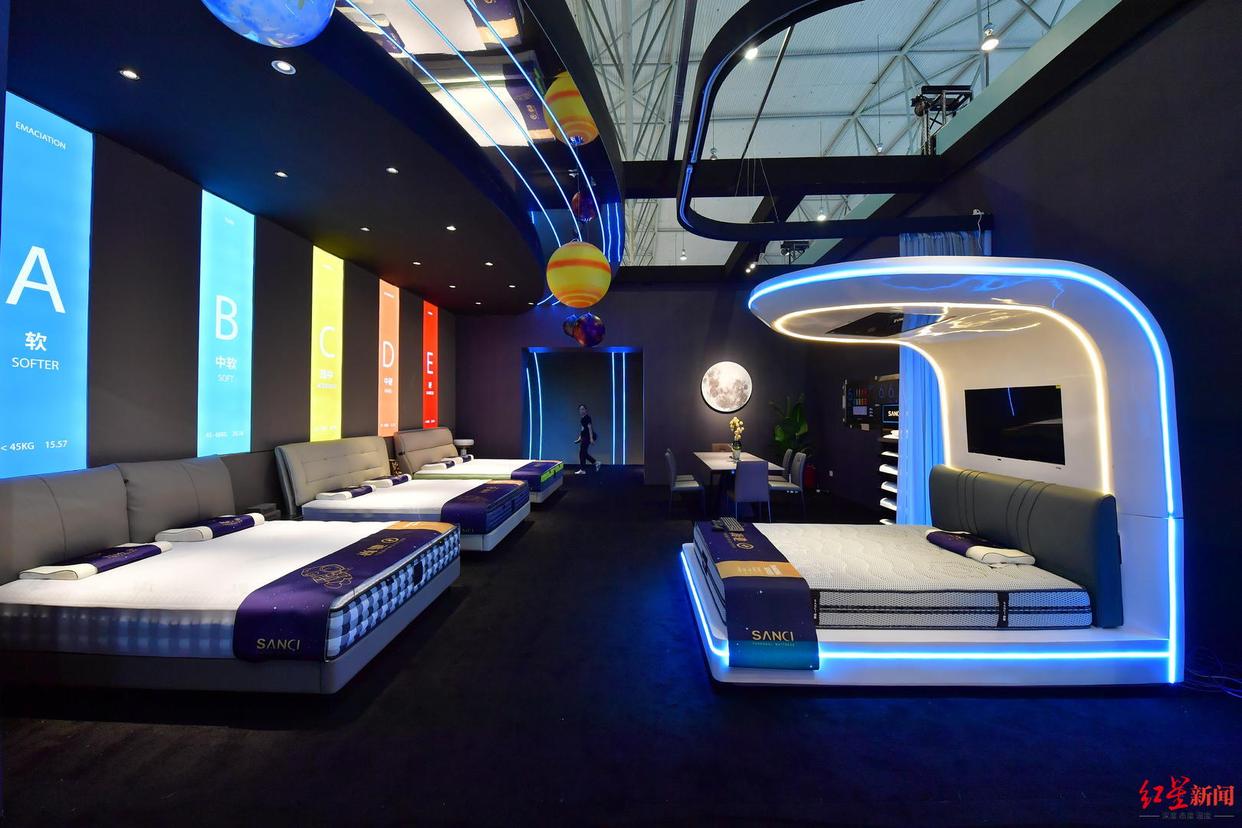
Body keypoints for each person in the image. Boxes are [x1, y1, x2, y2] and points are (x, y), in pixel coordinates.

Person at [574, 403, 600, 474]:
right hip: (584, 437)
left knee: (582, 453)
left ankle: (593, 464)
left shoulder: (587, 418)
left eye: (583, 409)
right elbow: (582, 429)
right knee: (582, 453)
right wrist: (579, 439)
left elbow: (590, 428)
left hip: (588, 437)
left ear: (586, 410)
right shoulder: (582, 419)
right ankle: (594, 463)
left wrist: (591, 438)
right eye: (580, 409)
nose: (581, 411)